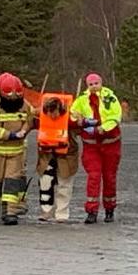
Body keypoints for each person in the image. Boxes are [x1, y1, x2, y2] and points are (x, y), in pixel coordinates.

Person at [0, 72, 34, 225]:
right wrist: (9, 135)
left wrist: (24, 131)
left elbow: (29, 119)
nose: (13, 99)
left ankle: (11, 212)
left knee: (12, 181)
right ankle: (3, 208)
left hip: (16, 151)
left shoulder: (24, 104)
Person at [71, 73, 123, 224]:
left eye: (96, 83)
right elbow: (73, 113)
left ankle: (109, 208)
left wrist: (102, 129)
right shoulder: (82, 99)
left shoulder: (110, 98)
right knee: (93, 176)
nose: (94, 86)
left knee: (109, 177)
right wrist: (79, 120)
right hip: (91, 145)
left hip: (110, 143)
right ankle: (92, 210)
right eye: (91, 84)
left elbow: (115, 116)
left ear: (101, 83)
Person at [36, 93, 78, 222]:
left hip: (66, 155)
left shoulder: (72, 118)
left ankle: (62, 213)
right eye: (49, 112)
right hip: (46, 155)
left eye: (54, 112)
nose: (52, 115)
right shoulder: (39, 116)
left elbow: (81, 127)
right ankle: (46, 211)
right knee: (45, 183)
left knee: (64, 185)